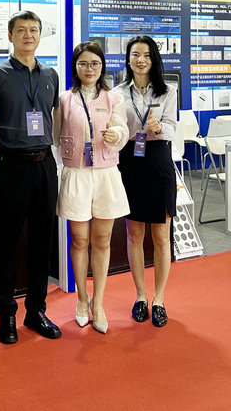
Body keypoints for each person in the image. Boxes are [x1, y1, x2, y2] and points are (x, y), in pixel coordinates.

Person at [0, 11, 62, 345]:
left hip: (45, 165)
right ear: (10, 36)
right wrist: (2, 151)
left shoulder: (51, 74)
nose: (28, 35)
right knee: (7, 241)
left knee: (43, 240)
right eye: (21, 30)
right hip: (12, 166)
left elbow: (54, 117)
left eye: (34, 30)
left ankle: (36, 310)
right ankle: (6, 314)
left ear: (40, 35)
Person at [53, 41, 129, 334]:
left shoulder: (113, 98)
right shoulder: (64, 99)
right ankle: (81, 299)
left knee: (103, 239)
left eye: (95, 64)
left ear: (102, 67)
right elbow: (55, 136)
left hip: (106, 173)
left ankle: (98, 303)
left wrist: (116, 135)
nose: (89, 69)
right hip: (76, 174)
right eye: (83, 63)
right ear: (75, 67)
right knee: (79, 239)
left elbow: (122, 129)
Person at [112, 36, 178, 328]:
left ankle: (159, 299)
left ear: (154, 60)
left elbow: (173, 128)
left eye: (147, 55)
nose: (141, 60)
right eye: (135, 55)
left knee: (161, 237)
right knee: (135, 234)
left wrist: (159, 127)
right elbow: (116, 128)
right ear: (128, 59)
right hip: (129, 162)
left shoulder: (168, 91)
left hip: (158, 160)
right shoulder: (116, 94)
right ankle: (140, 296)